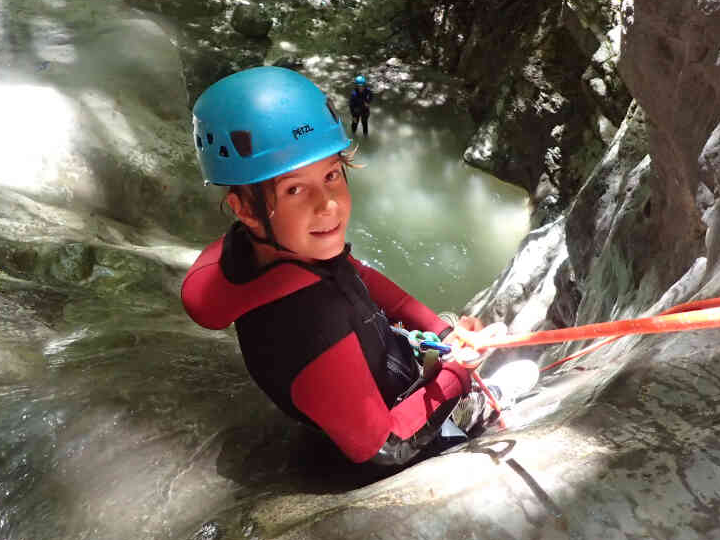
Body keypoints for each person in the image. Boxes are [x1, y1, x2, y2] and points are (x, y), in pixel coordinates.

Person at [181, 66, 511, 466]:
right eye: (295, 189)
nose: (329, 204)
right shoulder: (310, 325)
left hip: (385, 367)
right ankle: (483, 410)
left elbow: (360, 275)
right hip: (393, 426)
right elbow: (382, 446)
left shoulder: (272, 252)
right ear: (246, 210)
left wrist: (441, 330)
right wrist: (457, 375)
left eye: (332, 175)